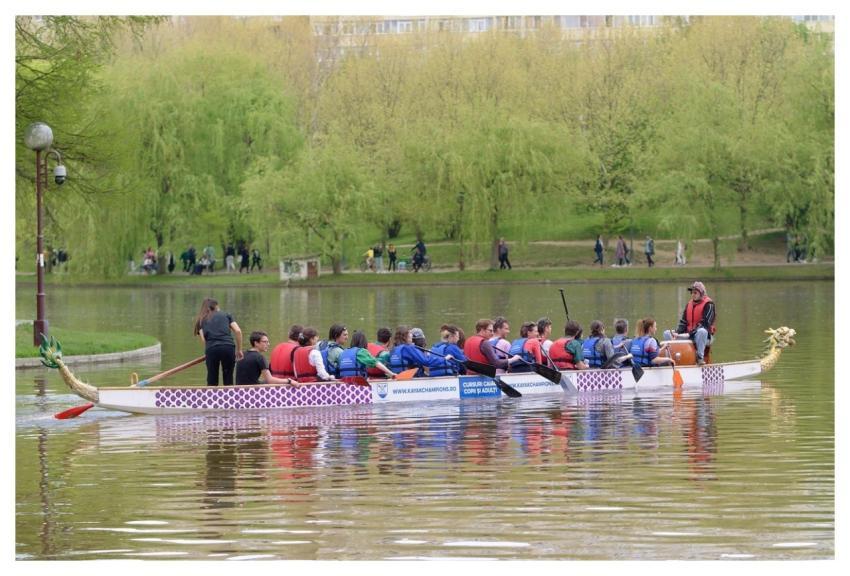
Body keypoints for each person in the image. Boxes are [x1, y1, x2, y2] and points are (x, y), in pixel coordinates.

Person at [663, 281, 716, 365]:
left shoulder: (709, 305)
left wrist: (688, 334)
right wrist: (677, 333)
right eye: (692, 292)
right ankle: (671, 359)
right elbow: (683, 322)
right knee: (667, 333)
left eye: (695, 292)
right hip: (688, 335)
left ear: (701, 293)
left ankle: (700, 358)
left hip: (703, 337)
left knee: (702, 331)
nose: (693, 294)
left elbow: (705, 324)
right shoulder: (689, 304)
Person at [193, 297, 243, 386]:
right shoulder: (226, 315)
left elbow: (204, 340)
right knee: (228, 378)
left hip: (212, 349)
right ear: (216, 306)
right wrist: (239, 350)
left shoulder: (200, 320)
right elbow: (238, 331)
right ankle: (229, 398)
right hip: (228, 347)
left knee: (212, 379)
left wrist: (209, 353)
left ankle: (211, 398)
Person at [388, 325, 454, 375]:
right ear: (405, 336)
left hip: (398, 380)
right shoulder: (409, 348)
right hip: (413, 380)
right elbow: (426, 362)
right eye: (410, 333)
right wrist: (444, 358)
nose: (412, 335)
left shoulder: (393, 349)